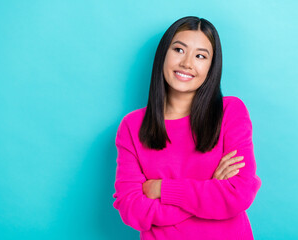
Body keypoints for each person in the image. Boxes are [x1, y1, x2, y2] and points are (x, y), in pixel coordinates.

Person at [112, 16, 262, 240]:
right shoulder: (132, 126)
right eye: (179, 50)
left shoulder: (231, 112)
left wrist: (163, 190)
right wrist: (209, 189)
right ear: (164, 54)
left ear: (211, 66)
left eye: (200, 56)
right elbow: (131, 209)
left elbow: (238, 194)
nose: (187, 63)